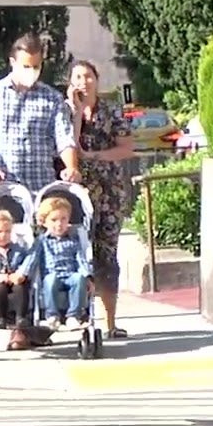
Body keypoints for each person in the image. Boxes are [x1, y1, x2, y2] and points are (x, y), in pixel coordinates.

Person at [68, 60, 135, 338]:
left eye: (88, 76)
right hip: (78, 193)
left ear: (97, 79)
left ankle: (110, 321)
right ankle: (80, 317)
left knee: (107, 255)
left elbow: (126, 148)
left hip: (109, 191)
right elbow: (68, 143)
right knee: (77, 254)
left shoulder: (111, 111)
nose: (84, 82)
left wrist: (95, 157)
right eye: (78, 77)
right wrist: (75, 112)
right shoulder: (66, 112)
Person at [0, 33, 82, 190]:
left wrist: (71, 167)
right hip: (4, 188)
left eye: (36, 66)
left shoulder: (52, 98)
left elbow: (64, 138)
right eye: (26, 67)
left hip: (41, 187)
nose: (31, 71)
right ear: (12, 63)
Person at [26, 196, 92, 330]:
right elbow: (32, 258)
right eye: (54, 220)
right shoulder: (42, 241)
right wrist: (24, 273)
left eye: (63, 219)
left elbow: (81, 259)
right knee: (50, 281)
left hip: (70, 274)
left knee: (79, 279)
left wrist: (88, 276)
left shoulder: (73, 239)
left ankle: (73, 316)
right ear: (44, 222)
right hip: (52, 275)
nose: (59, 224)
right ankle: (52, 316)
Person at [0, 209, 33, 349]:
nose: (3, 236)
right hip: (0, 281)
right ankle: (0, 317)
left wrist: (20, 273)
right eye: (0, 232)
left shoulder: (18, 249)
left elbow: (27, 261)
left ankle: (21, 318)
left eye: (7, 232)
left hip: (15, 279)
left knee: (21, 287)